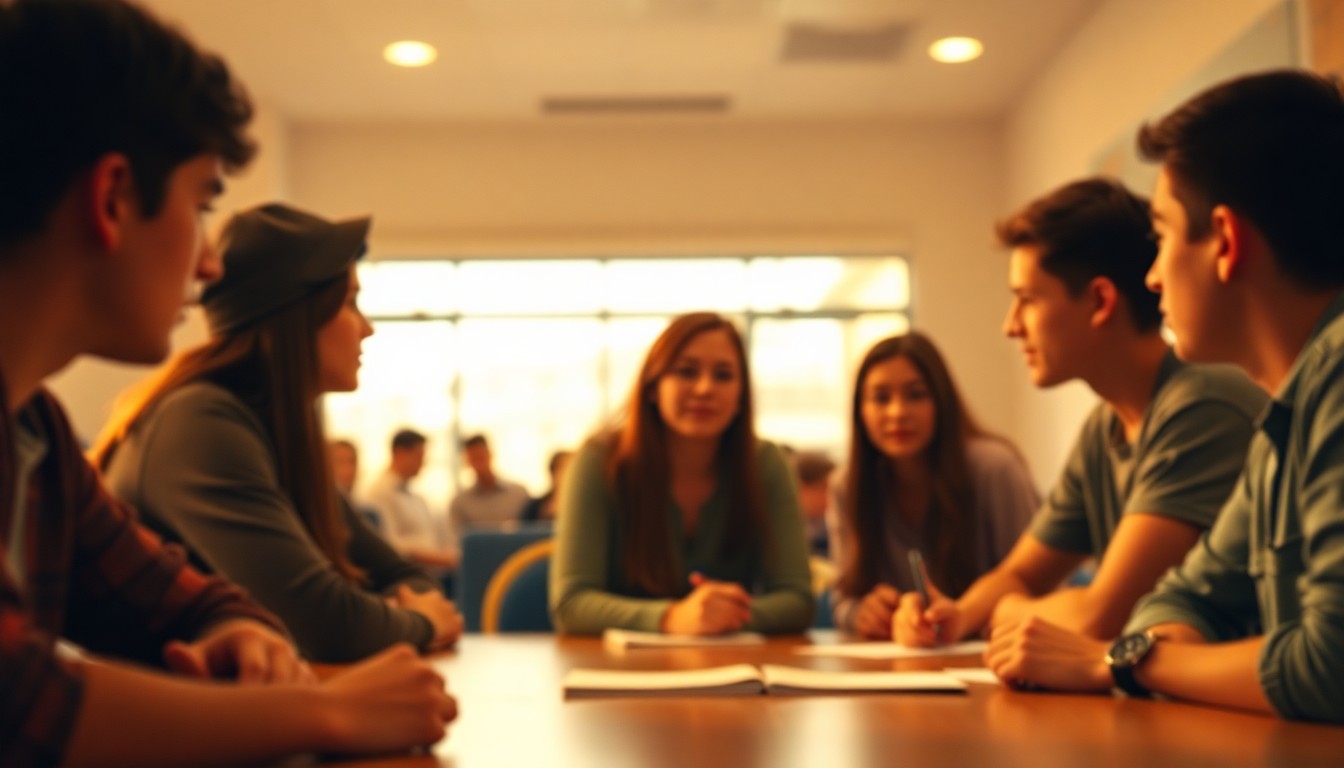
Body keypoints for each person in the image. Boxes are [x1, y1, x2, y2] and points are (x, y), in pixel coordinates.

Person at [0, 1, 454, 764]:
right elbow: (22, 702)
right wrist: (323, 714)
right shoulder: (192, 418)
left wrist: (238, 634)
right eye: (202, 202)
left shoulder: (34, 426)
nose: (209, 266)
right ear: (112, 198)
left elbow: (182, 596)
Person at [985, 69, 1344, 724]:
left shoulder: (1334, 382)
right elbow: (1182, 597)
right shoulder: (1286, 413)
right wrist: (1147, 650)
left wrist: (1122, 661)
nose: (1151, 276)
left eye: (1164, 237)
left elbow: (1332, 665)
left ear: (1227, 244)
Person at [895, 177, 1267, 647]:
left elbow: (1101, 618)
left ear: (1099, 302)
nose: (1011, 326)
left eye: (1027, 299)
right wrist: (954, 616)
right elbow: (1020, 574)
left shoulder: (1201, 407)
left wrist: (1009, 610)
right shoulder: (1105, 427)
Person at [93, 203, 463, 663]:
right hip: (171, 722)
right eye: (349, 302)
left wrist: (391, 616)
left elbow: (400, 574)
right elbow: (325, 625)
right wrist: (423, 622)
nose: (367, 329)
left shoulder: (276, 430)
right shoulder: (202, 423)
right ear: (296, 317)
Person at [550, 312, 814, 635]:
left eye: (723, 375)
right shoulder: (598, 462)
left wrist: (720, 616)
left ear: (741, 397)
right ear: (651, 388)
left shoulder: (766, 463)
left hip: (730, 672)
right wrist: (673, 617)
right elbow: (570, 604)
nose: (704, 388)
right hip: (620, 672)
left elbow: (798, 600)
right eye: (686, 372)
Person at [831, 332, 1039, 638]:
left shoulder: (995, 469)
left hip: (993, 655)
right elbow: (842, 599)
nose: (898, 412)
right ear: (860, 410)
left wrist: (967, 617)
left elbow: (1035, 583)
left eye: (916, 394)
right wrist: (862, 613)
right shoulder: (848, 485)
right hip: (899, 664)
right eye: (880, 398)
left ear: (942, 401)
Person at [364, 428, 458, 571]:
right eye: (419, 455)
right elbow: (390, 544)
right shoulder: (379, 493)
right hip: (410, 574)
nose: (423, 462)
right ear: (400, 453)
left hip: (434, 570)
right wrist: (440, 558)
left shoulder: (415, 496)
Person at [448, 433, 530, 538]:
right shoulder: (460, 503)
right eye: (474, 458)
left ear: (490, 454)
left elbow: (529, 530)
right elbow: (458, 541)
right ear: (467, 461)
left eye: (481, 457)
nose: (479, 464)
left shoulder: (519, 494)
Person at [329, 437, 381, 531]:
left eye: (352, 461)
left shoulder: (369, 514)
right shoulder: (322, 515)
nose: (348, 469)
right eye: (340, 462)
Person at [793, 450, 835, 557]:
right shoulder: (784, 533)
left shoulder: (831, 526)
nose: (829, 498)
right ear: (800, 487)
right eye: (823, 489)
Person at [519, 449, 574, 526]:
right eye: (560, 469)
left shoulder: (582, 505)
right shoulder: (536, 505)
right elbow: (524, 529)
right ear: (552, 473)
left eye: (569, 469)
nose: (563, 475)